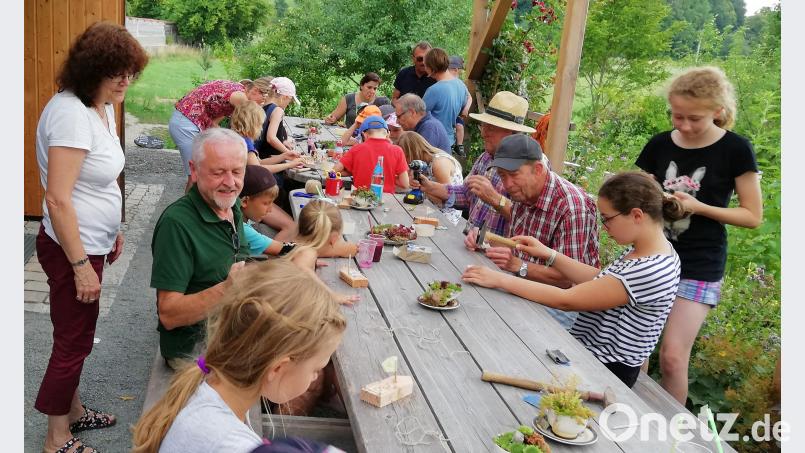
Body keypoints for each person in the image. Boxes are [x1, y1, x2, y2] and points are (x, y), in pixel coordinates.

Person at [33, 21, 148, 453]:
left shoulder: (102, 105)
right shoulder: (69, 114)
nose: (124, 80)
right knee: (73, 340)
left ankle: (75, 413)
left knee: (76, 334)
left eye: (130, 71)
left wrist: (114, 228)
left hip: (92, 242)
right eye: (114, 71)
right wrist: (81, 266)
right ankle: (56, 438)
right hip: (70, 250)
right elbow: (59, 200)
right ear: (90, 69)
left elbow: (100, 181)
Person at [462, 172, 685, 388]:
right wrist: (550, 255)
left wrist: (500, 279)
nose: (604, 228)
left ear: (637, 215)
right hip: (592, 356)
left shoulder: (650, 269)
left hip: (606, 370)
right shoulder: (650, 251)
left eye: (607, 219)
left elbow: (566, 300)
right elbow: (601, 280)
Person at [635, 66, 763, 404]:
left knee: (673, 358)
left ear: (718, 111)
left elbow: (752, 216)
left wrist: (698, 207)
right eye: (678, 116)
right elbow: (640, 194)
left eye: (695, 118)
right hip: (652, 255)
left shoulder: (736, 149)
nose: (685, 126)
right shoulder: (659, 144)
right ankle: (627, 425)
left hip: (700, 263)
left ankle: (673, 438)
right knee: (636, 347)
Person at [132, 260, 347, 452]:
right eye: (316, 369)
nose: (316, 378)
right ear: (277, 368)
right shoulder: (231, 443)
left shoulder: (203, 388)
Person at [463, 134, 600, 329]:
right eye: (502, 175)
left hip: (562, 305)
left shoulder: (573, 206)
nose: (507, 184)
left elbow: (566, 280)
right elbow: (520, 247)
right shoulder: (524, 192)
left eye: (514, 174)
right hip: (523, 285)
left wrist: (518, 266)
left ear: (538, 169)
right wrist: (485, 240)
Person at [150, 128, 251, 371]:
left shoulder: (230, 204)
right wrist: (227, 289)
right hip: (195, 352)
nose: (230, 183)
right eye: (218, 173)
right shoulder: (177, 224)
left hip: (229, 332)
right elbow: (169, 314)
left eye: (237, 172)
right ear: (194, 170)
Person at [414, 91, 533, 237]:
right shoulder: (486, 157)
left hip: (498, 255)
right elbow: (466, 195)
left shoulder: (528, 166)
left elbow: (529, 222)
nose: (483, 133)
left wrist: (495, 198)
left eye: (491, 128)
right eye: (483, 126)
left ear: (512, 132)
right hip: (469, 243)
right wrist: (430, 187)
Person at [170, 79, 266, 192]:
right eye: (262, 101)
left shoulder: (236, 90)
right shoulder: (241, 98)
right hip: (187, 124)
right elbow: (247, 126)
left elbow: (213, 124)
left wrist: (225, 138)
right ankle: (188, 209)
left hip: (186, 120)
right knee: (196, 175)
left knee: (201, 173)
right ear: (255, 90)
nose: (260, 105)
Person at [230, 101, 300, 242]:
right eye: (261, 124)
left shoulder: (237, 137)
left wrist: (283, 156)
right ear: (254, 123)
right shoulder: (246, 143)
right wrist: (288, 165)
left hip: (245, 195)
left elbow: (258, 162)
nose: (262, 128)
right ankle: (272, 259)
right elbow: (258, 170)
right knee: (291, 226)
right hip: (249, 197)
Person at [397, 131, 464, 225]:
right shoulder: (421, 164)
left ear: (412, 152)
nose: (405, 161)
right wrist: (413, 182)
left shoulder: (439, 163)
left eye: (405, 157)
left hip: (445, 219)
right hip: (430, 209)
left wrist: (423, 190)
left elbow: (445, 200)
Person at [334, 115, 410, 193]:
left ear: (364, 135)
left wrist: (355, 171)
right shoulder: (397, 151)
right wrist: (388, 176)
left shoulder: (356, 149)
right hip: (386, 199)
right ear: (388, 134)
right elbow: (405, 183)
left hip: (361, 198)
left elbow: (335, 171)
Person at [239, 165, 299, 257]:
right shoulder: (242, 230)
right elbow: (284, 249)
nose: (270, 210)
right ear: (244, 201)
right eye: (266, 203)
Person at [422, 48, 471, 148]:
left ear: (432, 67)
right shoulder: (460, 85)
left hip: (432, 142)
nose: (425, 69)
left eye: (425, 65)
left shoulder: (434, 90)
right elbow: (462, 109)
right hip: (449, 141)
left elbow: (418, 116)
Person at [255, 77, 301, 159]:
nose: (289, 104)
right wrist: (288, 153)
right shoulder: (277, 110)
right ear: (284, 97)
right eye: (290, 101)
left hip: (261, 153)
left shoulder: (263, 105)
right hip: (269, 157)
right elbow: (271, 138)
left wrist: (282, 141)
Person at [324, 72, 390, 127]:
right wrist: (331, 119)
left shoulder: (380, 103)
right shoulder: (349, 98)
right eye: (369, 87)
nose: (372, 91)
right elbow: (334, 117)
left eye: (375, 88)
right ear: (361, 86)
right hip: (348, 138)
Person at [448, 55, 467, 156]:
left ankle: (459, 145)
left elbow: (469, 97)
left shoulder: (460, 84)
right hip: (448, 113)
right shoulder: (445, 82)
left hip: (457, 113)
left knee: (459, 125)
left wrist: (466, 109)